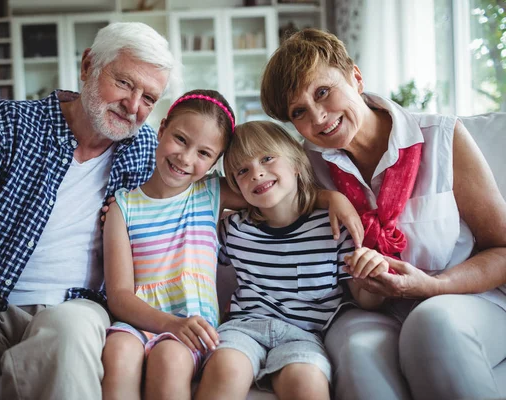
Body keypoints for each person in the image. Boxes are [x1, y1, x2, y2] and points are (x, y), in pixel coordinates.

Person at [0, 22, 179, 400]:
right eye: (125, 84)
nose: (133, 107)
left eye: (149, 98)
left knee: (69, 336)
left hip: (74, 308)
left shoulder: (148, 150)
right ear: (88, 66)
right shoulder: (11, 125)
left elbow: (208, 181)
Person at [259, 28, 506, 400]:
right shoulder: (304, 166)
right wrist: (327, 197)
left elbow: (502, 248)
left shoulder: (441, 138)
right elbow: (235, 185)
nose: (319, 116)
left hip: (464, 298)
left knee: (432, 320)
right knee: (359, 352)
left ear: (355, 77)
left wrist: (433, 287)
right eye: (299, 112)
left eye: (322, 92)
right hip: (373, 309)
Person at [193, 121, 387, 400]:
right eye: (242, 171)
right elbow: (190, 214)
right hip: (243, 328)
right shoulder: (233, 229)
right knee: (226, 370)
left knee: (307, 384)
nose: (257, 173)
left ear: (297, 163)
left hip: (304, 335)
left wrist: (372, 274)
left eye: (267, 158)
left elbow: (364, 298)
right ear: (236, 186)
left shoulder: (333, 226)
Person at [100, 89, 243, 400]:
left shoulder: (209, 194)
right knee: (118, 350)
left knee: (169, 358)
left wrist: (329, 197)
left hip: (192, 326)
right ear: (162, 128)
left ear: (216, 161)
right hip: (139, 321)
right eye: (180, 139)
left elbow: (274, 190)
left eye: (204, 153)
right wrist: (168, 324)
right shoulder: (122, 207)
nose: (186, 158)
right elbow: (120, 296)